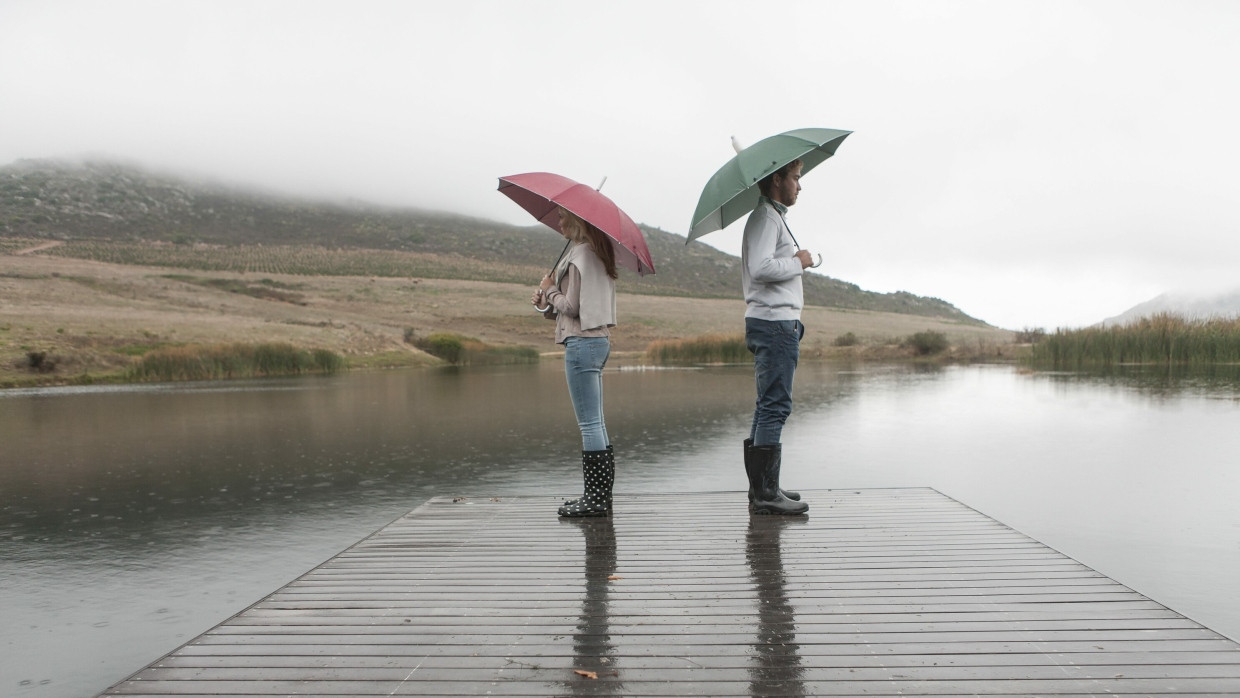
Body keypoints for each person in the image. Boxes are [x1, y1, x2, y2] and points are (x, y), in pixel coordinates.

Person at [532, 207, 618, 517]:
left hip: (582, 345)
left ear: (578, 221)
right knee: (597, 421)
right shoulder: (597, 254)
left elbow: (571, 305)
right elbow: (574, 309)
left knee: (589, 424)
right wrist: (546, 304)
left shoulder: (580, 256)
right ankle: (600, 498)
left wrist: (549, 289)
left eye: (563, 217)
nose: (559, 221)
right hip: (597, 341)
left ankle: (594, 500)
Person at [741, 159, 811, 515]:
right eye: (796, 178)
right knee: (775, 405)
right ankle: (766, 494)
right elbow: (762, 268)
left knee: (766, 404)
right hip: (774, 324)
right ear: (777, 179)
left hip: (772, 323)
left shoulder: (771, 216)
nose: (800, 185)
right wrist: (800, 262)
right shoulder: (767, 217)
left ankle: (762, 489)